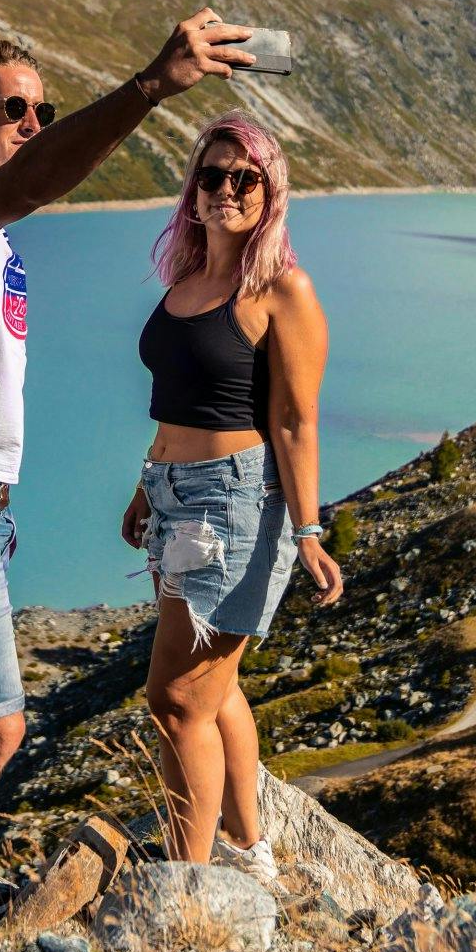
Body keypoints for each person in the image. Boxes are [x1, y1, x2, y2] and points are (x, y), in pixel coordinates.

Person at [0, 11, 256, 922]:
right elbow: (37, 180)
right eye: (14, 107)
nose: (33, 126)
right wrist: (151, 87)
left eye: (44, 111)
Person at [120, 109, 344, 881]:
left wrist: (309, 531)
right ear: (192, 189)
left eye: (243, 178)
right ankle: (250, 855)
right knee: (216, 691)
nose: (225, 190)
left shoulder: (284, 289)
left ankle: (190, 884)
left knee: (175, 697)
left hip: (235, 505)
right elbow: (176, 397)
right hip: (172, 494)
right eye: (211, 176)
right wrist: (145, 484)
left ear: (268, 189)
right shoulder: (186, 281)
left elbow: (295, 420)